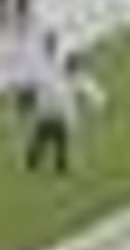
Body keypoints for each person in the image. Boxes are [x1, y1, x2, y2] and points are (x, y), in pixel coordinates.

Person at [23, 32, 104, 175]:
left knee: (59, 138)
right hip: (47, 109)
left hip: (59, 112)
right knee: (43, 136)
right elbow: (34, 83)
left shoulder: (71, 73)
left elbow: (89, 89)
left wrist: (100, 102)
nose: (73, 65)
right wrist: (27, 100)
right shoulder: (47, 65)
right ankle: (35, 161)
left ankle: (58, 164)